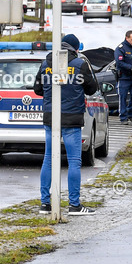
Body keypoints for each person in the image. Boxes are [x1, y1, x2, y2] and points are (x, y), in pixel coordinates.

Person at [33, 34, 97, 216]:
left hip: (50, 117)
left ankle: (45, 204)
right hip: (72, 118)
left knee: (48, 159)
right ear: (75, 49)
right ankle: (74, 205)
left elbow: (36, 89)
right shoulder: (79, 64)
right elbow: (92, 88)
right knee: (74, 161)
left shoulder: (46, 63)